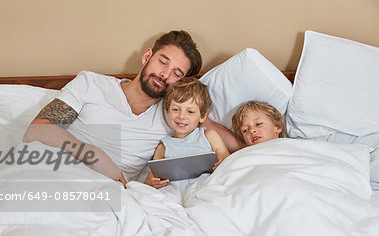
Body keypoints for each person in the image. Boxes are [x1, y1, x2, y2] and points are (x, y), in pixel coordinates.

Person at [23, 30, 243, 186]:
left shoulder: (175, 114)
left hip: (108, 196)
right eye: (162, 61)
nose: (165, 74)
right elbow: (36, 130)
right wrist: (96, 156)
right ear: (147, 56)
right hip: (54, 173)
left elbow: (234, 145)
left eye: (177, 73)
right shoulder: (91, 83)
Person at [145, 77, 230, 189]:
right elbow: (148, 182)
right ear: (168, 110)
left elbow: (229, 163)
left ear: (203, 116)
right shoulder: (163, 147)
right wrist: (154, 183)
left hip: (205, 186)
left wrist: (222, 165)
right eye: (176, 109)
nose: (181, 116)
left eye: (190, 111)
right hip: (173, 191)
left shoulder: (209, 136)